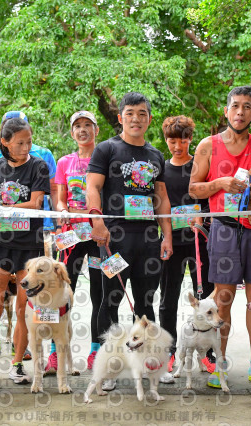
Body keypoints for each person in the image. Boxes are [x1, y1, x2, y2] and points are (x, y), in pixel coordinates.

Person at [189, 85, 251, 389]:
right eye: (235, 106)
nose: (241, 112)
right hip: (223, 229)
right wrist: (219, 182)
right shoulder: (208, 145)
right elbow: (193, 188)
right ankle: (219, 366)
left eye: (247, 107)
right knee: (223, 299)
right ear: (226, 111)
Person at [86, 92, 173, 392]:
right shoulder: (106, 148)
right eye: (130, 113)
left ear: (149, 118)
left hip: (148, 240)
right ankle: (107, 368)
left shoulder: (155, 155)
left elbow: (161, 199)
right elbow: (92, 187)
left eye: (142, 113)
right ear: (121, 117)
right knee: (109, 300)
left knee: (146, 304)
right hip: (113, 239)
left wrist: (167, 236)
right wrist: (97, 221)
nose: (136, 118)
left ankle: (150, 368)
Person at [0, 117, 50, 396]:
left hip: (29, 250)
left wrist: (3, 208)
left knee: (24, 309)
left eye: (29, 141)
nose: (25, 146)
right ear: (4, 142)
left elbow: (35, 203)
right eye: (19, 142)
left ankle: (18, 363)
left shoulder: (38, 166)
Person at [157, 115, 214, 383]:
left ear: (190, 139)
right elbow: (160, 205)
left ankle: (208, 353)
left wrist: (203, 218)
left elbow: (210, 197)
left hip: (200, 239)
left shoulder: (199, 165)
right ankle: (169, 351)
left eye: (183, 139)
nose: (178, 145)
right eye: (172, 140)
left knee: (206, 297)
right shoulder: (162, 168)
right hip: (171, 241)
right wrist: (165, 235)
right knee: (168, 297)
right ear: (166, 140)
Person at [53, 110, 102, 371]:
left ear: (97, 130)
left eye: (87, 125)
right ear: (72, 132)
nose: (82, 130)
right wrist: (62, 211)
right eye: (77, 126)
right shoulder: (64, 162)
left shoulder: (104, 158)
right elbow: (61, 198)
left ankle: (96, 351)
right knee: (61, 292)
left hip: (97, 235)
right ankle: (55, 351)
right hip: (70, 236)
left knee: (99, 291)